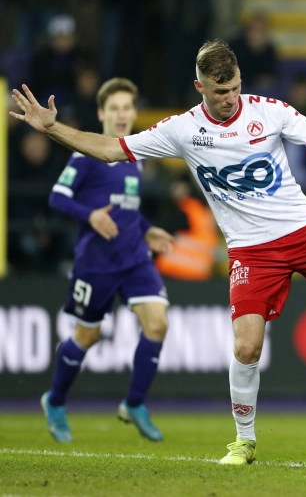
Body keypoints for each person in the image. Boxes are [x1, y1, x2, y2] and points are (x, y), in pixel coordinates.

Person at [11, 39, 306, 465]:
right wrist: (52, 129)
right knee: (247, 347)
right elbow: (107, 150)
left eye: (233, 89)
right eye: (218, 92)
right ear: (199, 87)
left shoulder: (270, 111)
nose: (229, 100)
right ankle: (244, 441)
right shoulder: (183, 129)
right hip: (250, 251)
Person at [41, 78, 174, 443]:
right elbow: (57, 197)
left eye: (126, 108)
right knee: (88, 335)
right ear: (102, 113)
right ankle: (55, 400)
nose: (121, 115)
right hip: (96, 262)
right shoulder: (85, 153)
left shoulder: (137, 154)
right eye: (113, 108)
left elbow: (127, 205)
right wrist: (91, 216)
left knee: (158, 324)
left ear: (134, 113)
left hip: (134, 258)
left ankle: (134, 403)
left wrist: (147, 229)